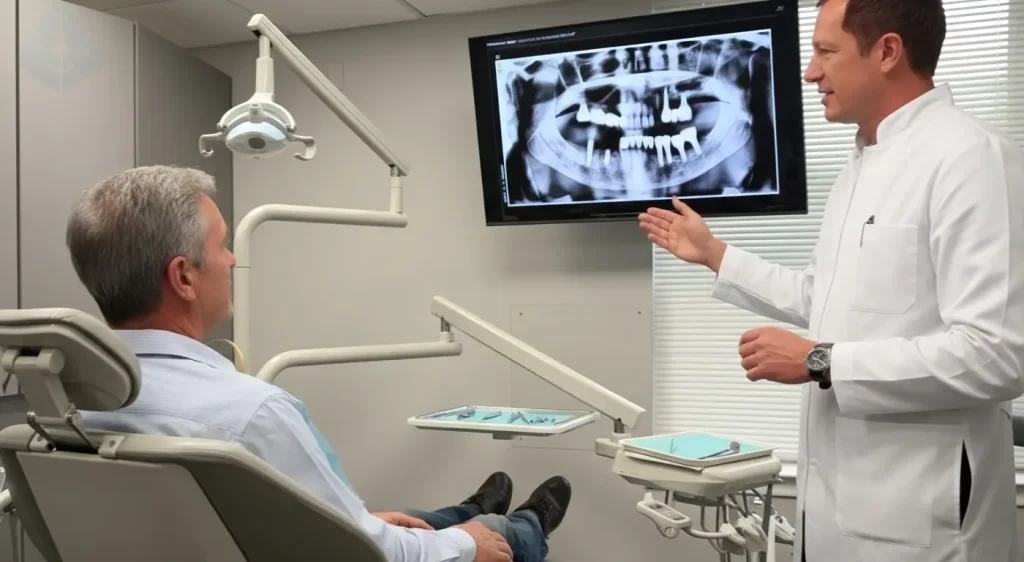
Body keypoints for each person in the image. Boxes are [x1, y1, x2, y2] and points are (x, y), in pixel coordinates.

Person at [639, 0, 1024, 561]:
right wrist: (717, 255)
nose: (810, 71)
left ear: (888, 51)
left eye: (825, 51)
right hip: (837, 510)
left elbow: (997, 355)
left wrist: (821, 361)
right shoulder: (860, 164)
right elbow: (830, 301)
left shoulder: (971, 160)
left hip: (925, 521)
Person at [65, 165, 572, 562]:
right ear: (184, 277)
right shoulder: (251, 414)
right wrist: (468, 545)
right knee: (496, 538)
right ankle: (527, 524)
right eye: (222, 246)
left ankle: (465, 512)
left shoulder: (66, 412)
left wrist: (359, 522)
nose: (233, 260)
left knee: (414, 521)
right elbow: (373, 553)